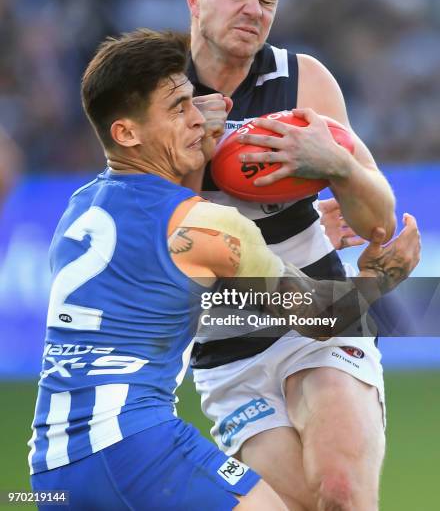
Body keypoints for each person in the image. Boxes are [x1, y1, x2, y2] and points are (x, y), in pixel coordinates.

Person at [28, 28, 419, 510]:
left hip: (50, 475)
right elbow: (322, 318)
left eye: (193, 102)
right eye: (179, 109)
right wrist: (380, 278)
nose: (202, 120)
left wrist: (306, 220)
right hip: (141, 453)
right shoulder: (208, 228)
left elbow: (154, 266)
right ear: (126, 132)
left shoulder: (78, 212)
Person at [184, 0, 401, 510]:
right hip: (226, 344)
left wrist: (336, 163)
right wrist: (194, 157)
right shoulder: (158, 94)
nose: (253, 10)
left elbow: (379, 219)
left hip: (322, 322)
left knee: (341, 494)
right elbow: (148, 232)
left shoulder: (302, 81)